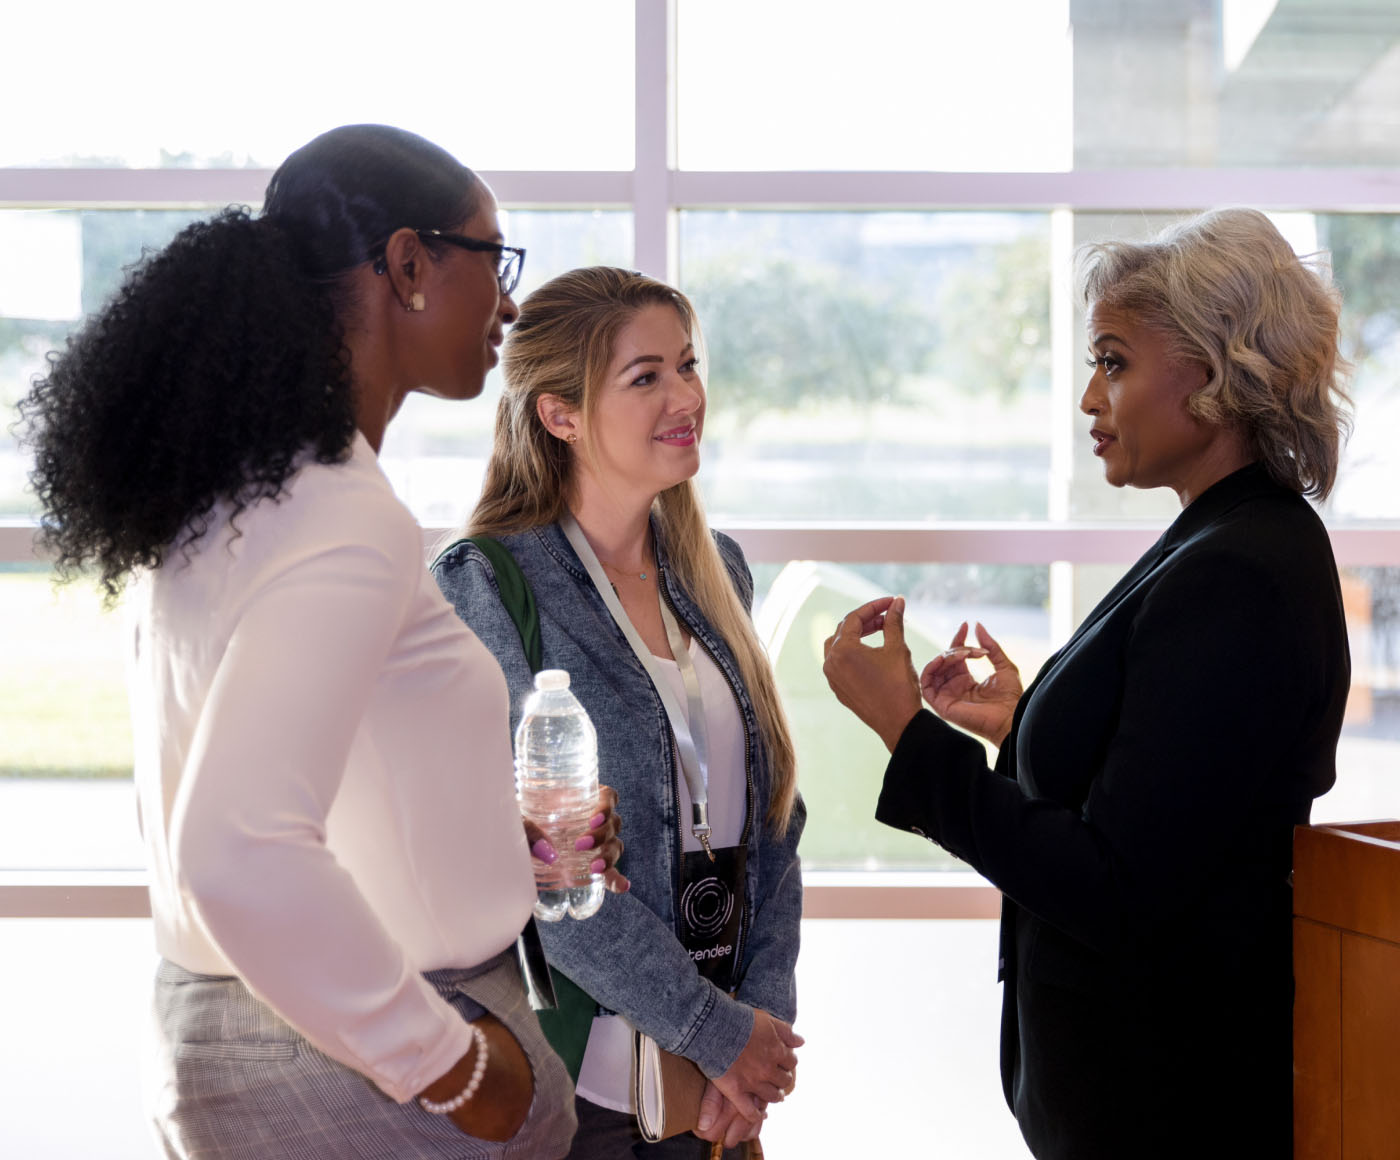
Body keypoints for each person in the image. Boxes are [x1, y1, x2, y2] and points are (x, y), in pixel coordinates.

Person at [17, 124, 625, 1159]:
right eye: (494, 259)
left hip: (271, 1038)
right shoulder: (341, 515)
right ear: (407, 264)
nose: (511, 304)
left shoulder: (239, 498)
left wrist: (498, 840)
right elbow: (238, 848)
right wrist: (452, 1064)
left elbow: (316, 790)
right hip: (358, 1075)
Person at [822, 208, 1352, 1159]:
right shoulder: (1223, 537)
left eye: (1114, 361)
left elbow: (1118, 884)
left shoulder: (1239, 569)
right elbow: (1176, 792)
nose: (1088, 399)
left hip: (1171, 1108)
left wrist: (908, 731)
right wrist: (1025, 722)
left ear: (1214, 373)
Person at [432, 267, 805, 1158]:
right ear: (559, 415)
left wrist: (760, 1029)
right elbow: (541, 871)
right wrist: (716, 1034)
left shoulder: (718, 571)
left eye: (687, 364)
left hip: (714, 1089)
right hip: (579, 1086)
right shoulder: (488, 583)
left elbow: (775, 826)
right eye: (646, 378)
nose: (687, 396)